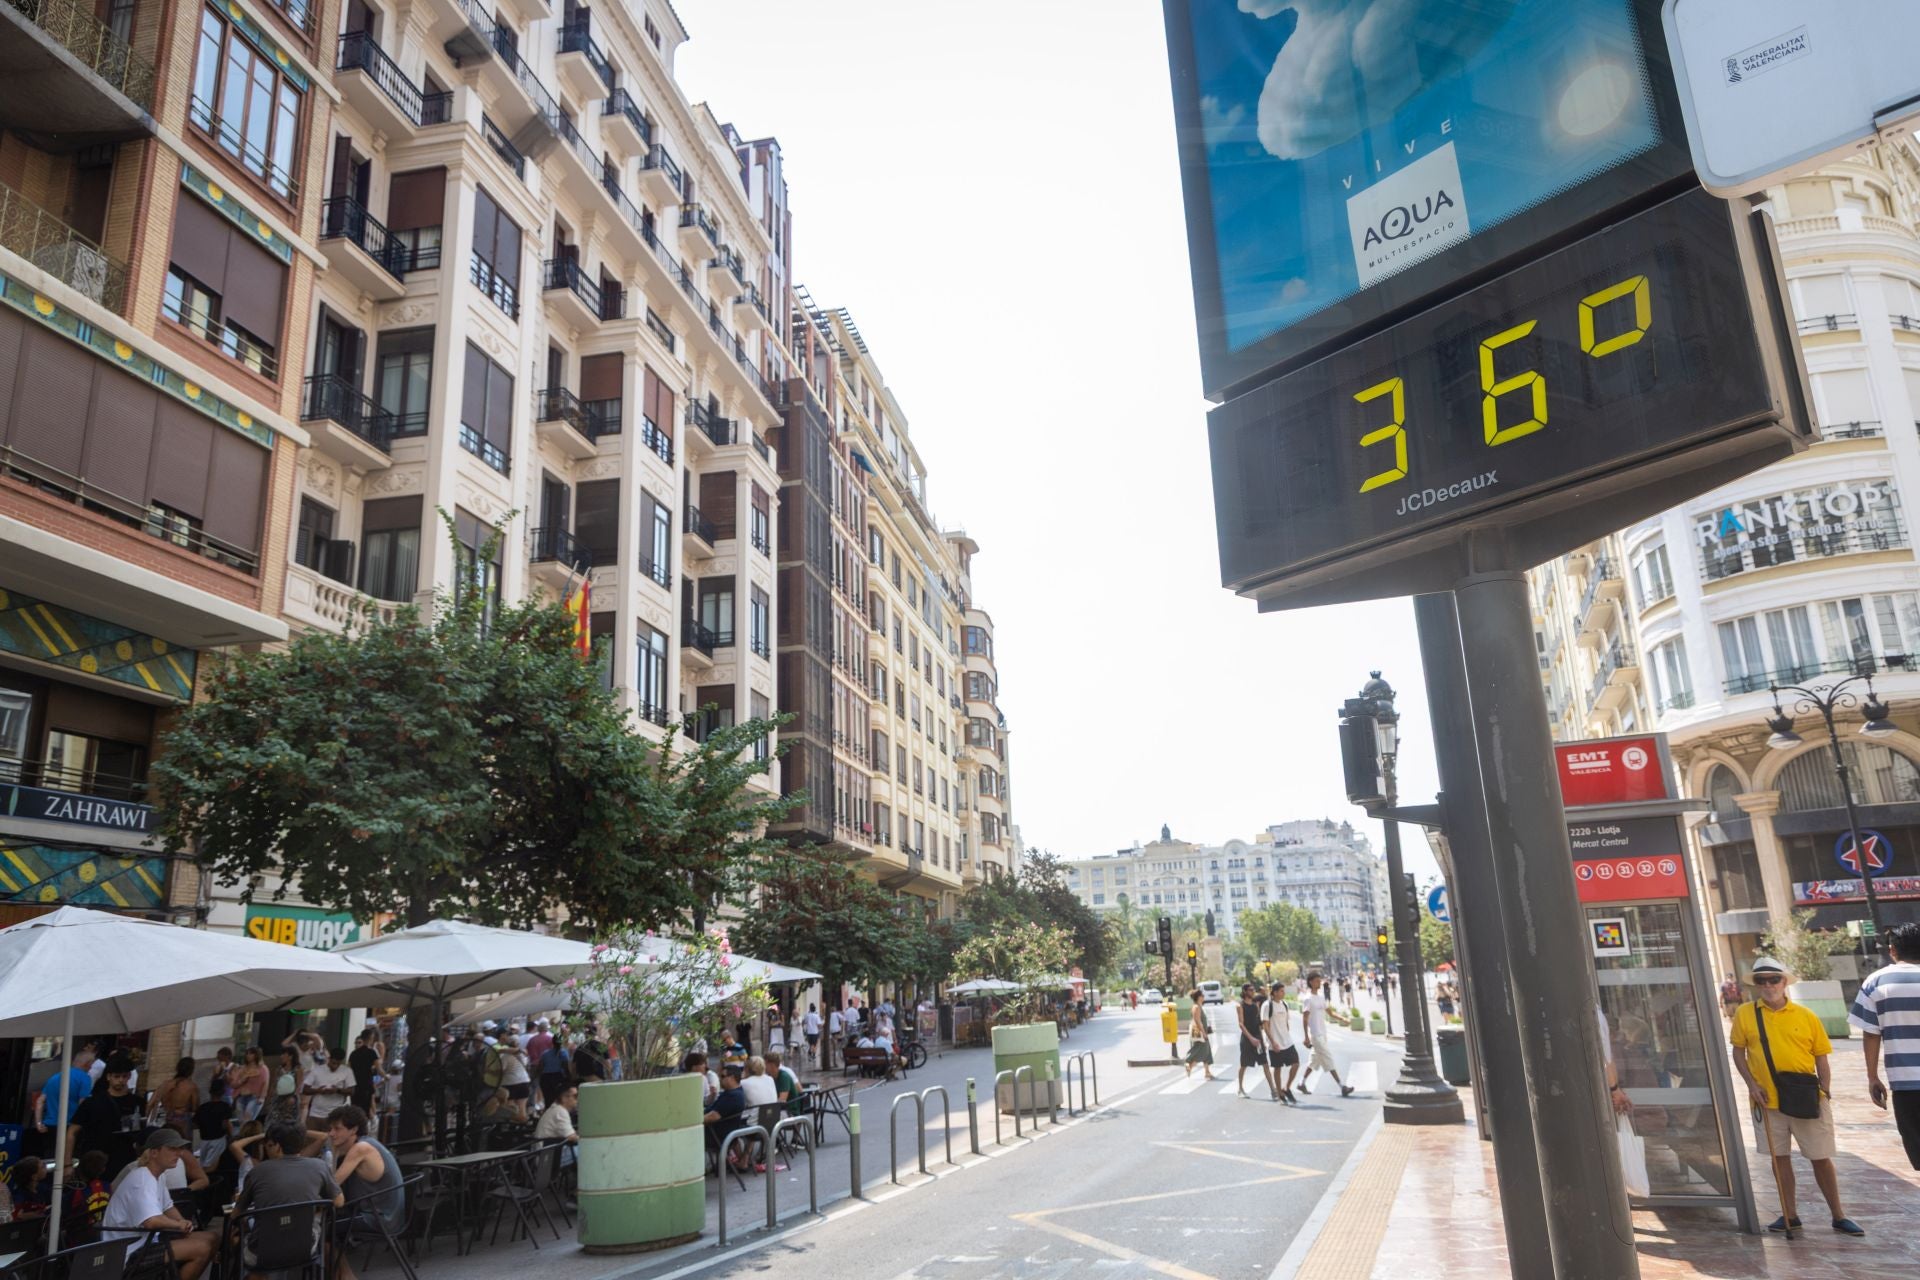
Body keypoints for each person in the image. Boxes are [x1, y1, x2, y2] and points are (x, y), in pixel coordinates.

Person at [1730, 956, 1862, 1235]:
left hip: (1805, 1096)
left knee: (1820, 1156)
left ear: (1784, 982)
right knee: (1779, 1158)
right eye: (1761, 980)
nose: (1768, 985)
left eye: (1773, 979)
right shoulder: (1745, 1013)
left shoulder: (1806, 1016)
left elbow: (1821, 1058)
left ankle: (1838, 1215)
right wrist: (1751, 1084)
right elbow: (1738, 1051)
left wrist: (1824, 1091)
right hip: (1767, 1100)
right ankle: (1789, 1215)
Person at [228, 1121, 342, 1279]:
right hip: (306, 1249)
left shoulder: (258, 1171)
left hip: (262, 1254)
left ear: (277, 1146)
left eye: (268, 1144)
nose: (267, 1148)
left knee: (237, 1239)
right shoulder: (320, 1166)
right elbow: (338, 1202)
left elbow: (236, 1214)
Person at [100, 1128, 219, 1278]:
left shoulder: (157, 1175)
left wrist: (182, 1221)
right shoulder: (142, 1180)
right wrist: (178, 1225)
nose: (179, 1153)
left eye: (180, 1149)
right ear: (154, 1153)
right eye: (172, 1149)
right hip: (128, 1252)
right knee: (202, 1248)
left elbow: (167, 1206)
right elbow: (151, 1221)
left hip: (146, 1241)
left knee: (212, 1238)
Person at [1849, 921, 1920, 1171]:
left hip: (1905, 1084)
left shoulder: (1876, 982)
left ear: (1893, 950)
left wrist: (1872, 1077)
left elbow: (1870, 1034)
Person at [70, 1055, 143, 1179]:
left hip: (125, 1159)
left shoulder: (138, 1103)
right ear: (108, 1077)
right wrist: (67, 1163)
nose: (120, 1080)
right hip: (95, 1162)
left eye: (124, 1076)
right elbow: (72, 1132)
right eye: (117, 1076)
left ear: (129, 1077)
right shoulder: (93, 1102)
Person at [1299, 973, 1357, 1097]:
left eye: (1319, 980)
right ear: (1310, 982)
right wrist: (1306, 1037)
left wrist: (1343, 1019)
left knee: (1314, 1060)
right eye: (1316, 981)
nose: (1319, 983)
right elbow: (1305, 1019)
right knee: (1328, 1058)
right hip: (1315, 1034)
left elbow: (1329, 1013)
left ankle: (1301, 1083)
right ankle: (1342, 1086)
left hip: (1323, 1033)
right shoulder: (1308, 998)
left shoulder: (1320, 997)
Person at [32, 1042, 93, 1154]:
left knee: (50, 1157)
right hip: (70, 1126)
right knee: (68, 1158)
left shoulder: (55, 1077)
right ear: (87, 1064)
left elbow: (40, 1101)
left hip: (50, 1125)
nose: (91, 1068)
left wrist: (39, 1123)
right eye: (91, 1065)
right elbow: (83, 1103)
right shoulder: (85, 1079)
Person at [704, 1064, 750, 1168]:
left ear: (732, 1078)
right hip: (727, 1134)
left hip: (716, 1135)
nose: (720, 1079)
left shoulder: (732, 1096)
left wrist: (694, 1121)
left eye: (723, 1076)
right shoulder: (736, 1092)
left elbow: (714, 1116)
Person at [1263, 982, 1300, 1104]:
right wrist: (1273, 1042)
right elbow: (1265, 1025)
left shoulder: (1285, 1004)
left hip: (1287, 1041)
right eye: (1282, 991)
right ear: (1275, 992)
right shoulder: (1267, 1005)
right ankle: (1280, 1093)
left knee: (1296, 1063)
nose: (1284, 993)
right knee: (1277, 1068)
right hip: (1275, 1043)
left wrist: (1287, 1034)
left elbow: (1286, 1023)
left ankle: (1287, 1088)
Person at [301, 1049, 355, 1134]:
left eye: (338, 1064)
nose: (335, 1066)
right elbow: (305, 1090)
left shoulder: (347, 1071)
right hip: (315, 1114)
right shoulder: (317, 1070)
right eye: (333, 1063)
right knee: (311, 1140)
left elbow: (351, 1091)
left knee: (330, 1142)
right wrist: (318, 1091)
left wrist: (337, 1090)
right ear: (329, 1059)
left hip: (334, 1115)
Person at [1235, 983, 1269, 1099]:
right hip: (1247, 1039)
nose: (1253, 991)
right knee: (1244, 1064)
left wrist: (1262, 1038)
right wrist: (1251, 1038)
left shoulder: (1255, 1005)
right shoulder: (1240, 1006)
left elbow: (1258, 1022)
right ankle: (1240, 1089)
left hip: (1257, 1038)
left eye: (1254, 989)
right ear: (1244, 991)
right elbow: (1241, 1024)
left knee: (1265, 1063)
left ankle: (1274, 1090)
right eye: (1250, 990)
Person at [535, 1082, 579, 1167]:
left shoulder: (555, 1109)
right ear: (564, 1098)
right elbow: (572, 1137)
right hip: (548, 1159)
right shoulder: (560, 1111)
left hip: (547, 1154)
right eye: (575, 1096)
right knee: (589, 1149)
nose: (577, 1100)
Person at [150, 1057, 199, 1135]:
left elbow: (150, 1104)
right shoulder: (191, 1086)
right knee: (182, 1144)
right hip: (182, 1121)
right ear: (191, 1071)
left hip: (167, 1118)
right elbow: (195, 1108)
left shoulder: (165, 1084)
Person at [347, 1029, 381, 1114]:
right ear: (371, 1038)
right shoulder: (372, 1052)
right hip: (366, 1085)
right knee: (365, 1108)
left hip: (355, 1085)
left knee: (354, 1108)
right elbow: (379, 1068)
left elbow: (349, 1069)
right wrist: (386, 1076)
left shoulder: (353, 1054)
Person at [231, 1047, 269, 1124]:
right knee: (241, 1121)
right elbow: (233, 1084)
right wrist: (242, 1080)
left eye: (251, 1053)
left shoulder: (262, 1069)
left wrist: (262, 1097)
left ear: (256, 1055)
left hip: (254, 1097)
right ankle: (242, 1135)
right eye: (247, 1053)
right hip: (241, 1097)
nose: (248, 1055)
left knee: (247, 1121)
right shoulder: (242, 1068)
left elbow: (265, 1083)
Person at [1183, 989, 1215, 1081]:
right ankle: (1189, 1064)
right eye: (1203, 995)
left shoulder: (1199, 1006)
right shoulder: (1196, 1007)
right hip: (1200, 1034)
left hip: (1202, 1033)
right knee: (1201, 1052)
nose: (1204, 997)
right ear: (1199, 997)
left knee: (1207, 1052)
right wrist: (1204, 1033)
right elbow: (1197, 1021)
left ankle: (1207, 1072)